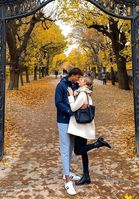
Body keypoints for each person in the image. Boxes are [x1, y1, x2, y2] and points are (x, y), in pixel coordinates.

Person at [67, 76, 111, 187]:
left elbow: (73, 108)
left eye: (81, 80)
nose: (78, 81)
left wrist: (71, 96)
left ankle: (97, 144)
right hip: (84, 127)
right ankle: (86, 176)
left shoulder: (82, 94)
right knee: (83, 152)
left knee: (78, 151)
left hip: (81, 128)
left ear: (85, 83)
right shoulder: (85, 93)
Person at [55, 67, 83, 196]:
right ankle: (67, 180)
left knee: (71, 147)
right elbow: (58, 103)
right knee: (65, 148)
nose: (79, 79)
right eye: (78, 77)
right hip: (64, 120)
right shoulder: (61, 86)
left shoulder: (74, 85)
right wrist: (71, 111)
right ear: (72, 75)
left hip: (73, 121)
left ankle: (68, 172)